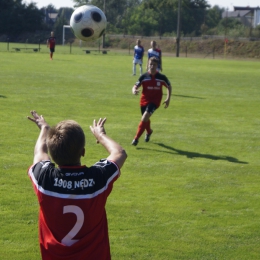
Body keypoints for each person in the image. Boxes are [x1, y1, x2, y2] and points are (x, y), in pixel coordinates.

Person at [27, 111, 127, 260]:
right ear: (83, 152)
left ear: (52, 154)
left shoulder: (44, 179)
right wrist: (100, 135)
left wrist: (45, 129)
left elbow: (39, 152)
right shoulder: (97, 179)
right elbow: (119, 152)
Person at [131, 57, 171, 146]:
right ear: (148, 65)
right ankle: (149, 131)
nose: (152, 66)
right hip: (143, 101)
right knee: (145, 119)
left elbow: (169, 86)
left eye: (154, 65)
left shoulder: (161, 77)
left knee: (145, 117)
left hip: (155, 101)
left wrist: (168, 99)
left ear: (157, 66)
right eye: (151, 64)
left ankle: (136, 139)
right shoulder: (144, 77)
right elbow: (135, 85)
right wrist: (134, 90)